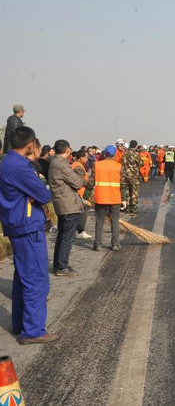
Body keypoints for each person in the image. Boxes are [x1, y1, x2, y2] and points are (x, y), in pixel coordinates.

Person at [0, 126, 59, 344]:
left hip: (17, 223)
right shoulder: (20, 167)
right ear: (30, 145)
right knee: (35, 278)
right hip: (27, 226)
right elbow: (43, 194)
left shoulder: (8, 162)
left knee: (22, 277)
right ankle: (33, 331)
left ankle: (20, 324)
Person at [48, 139, 85, 276]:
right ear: (67, 150)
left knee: (62, 235)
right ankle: (62, 266)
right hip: (68, 205)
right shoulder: (62, 164)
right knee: (67, 237)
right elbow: (78, 183)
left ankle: (58, 264)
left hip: (61, 203)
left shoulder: (54, 162)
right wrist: (80, 172)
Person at [85, 145, 125, 251]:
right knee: (115, 221)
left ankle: (98, 244)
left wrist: (85, 196)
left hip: (101, 198)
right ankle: (115, 244)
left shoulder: (97, 165)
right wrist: (124, 199)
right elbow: (123, 184)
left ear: (105, 154)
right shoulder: (119, 166)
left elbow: (90, 183)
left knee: (99, 221)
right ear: (114, 155)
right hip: (115, 199)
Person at [71, 149, 92, 240]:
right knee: (83, 213)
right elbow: (79, 181)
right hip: (81, 192)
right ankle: (80, 231)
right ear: (81, 158)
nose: (87, 159)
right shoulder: (79, 167)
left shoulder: (74, 165)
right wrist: (88, 182)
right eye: (86, 157)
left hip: (79, 193)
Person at [121, 140, 144, 213]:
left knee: (127, 191)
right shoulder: (135, 154)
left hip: (125, 176)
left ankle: (126, 206)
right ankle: (133, 208)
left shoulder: (124, 154)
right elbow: (141, 163)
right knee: (134, 192)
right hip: (133, 176)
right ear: (136, 146)